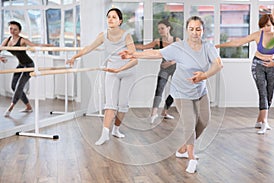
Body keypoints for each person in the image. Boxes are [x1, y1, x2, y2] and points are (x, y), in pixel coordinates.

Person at [119, 16, 223, 174]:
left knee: (204, 121)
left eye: (198, 29)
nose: (195, 32)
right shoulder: (179, 47)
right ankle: (191, 158)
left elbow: (218, 64)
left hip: (200, 90)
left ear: (203, 30)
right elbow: (156, 53)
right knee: (189, 123)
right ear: (187, 30)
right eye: (191, 29)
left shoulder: (208, 47)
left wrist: (204, 75)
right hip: (181, 91)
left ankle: (182, 149)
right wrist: (133, 55)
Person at [67, 8, 138, 145]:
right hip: (111, 71)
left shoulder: (126, 36)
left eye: (114, 17)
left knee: (122, 105)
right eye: (109, 17)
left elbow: (135, 59)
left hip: (127, 71)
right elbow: (89, 48)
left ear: (120, 21)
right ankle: (104, 133)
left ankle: (116, 129)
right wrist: (75, 57)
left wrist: (120, 69)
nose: (110, 19)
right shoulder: (103, 35)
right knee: (110, 104)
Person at [215, 14, 274, 134]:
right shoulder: (258, 34)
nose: (265, 28)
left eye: (268, 25)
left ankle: (259, 120)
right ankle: (264, 123)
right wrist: (218, 46)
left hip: (273, 66)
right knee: (262, 93)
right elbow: (238, 42)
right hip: (258, 65)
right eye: (262, 26)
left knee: (269, 94)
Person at [0, 21, 53, 117]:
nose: (12, 31)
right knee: (13, 86)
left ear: (19, 31)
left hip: (29, 65)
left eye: (15, 29)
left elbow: (35, 45)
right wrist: (0, 58)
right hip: (20, 65)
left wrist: (47, 46)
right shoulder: (6, 41)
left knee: (19, 86)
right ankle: (28, 107)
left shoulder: (22, 40)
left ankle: (11, 107)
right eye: (11, 28)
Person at [135, 20, 181, 123]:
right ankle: (153, 114)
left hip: (176, 69)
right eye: (159, 29)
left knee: (175, 91)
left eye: (162, 28)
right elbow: (143, 47)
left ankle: (165, 111)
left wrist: (171, 62)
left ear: (168, 28)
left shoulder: (176, 40)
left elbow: (182, 55)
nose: (160, 30)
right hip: (164, 69)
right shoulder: (158, 41)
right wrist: (129, 46)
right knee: (159, 89)